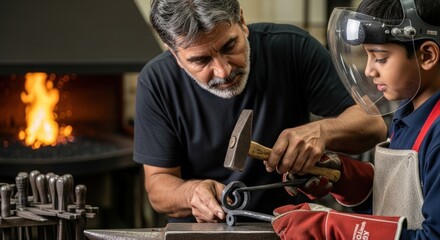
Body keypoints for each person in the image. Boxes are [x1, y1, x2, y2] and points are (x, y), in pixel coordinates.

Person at [134, 0, 386, 223]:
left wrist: (322, 131)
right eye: (201, 60)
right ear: (174, 53)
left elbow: (374, 125)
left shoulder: (293, 48)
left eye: (229, 46)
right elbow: (158, 185)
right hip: (203, 230)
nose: (223, 71)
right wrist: (191, 193)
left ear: (242, 21)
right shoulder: (157, 82)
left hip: (286, 224)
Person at [271, 0, 440, 239]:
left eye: (380, 58)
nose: (369, 70)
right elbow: (404, 205)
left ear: (427, 55)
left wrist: (336, 228)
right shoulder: (408, 114)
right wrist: (345, 178)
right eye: (367, 56)